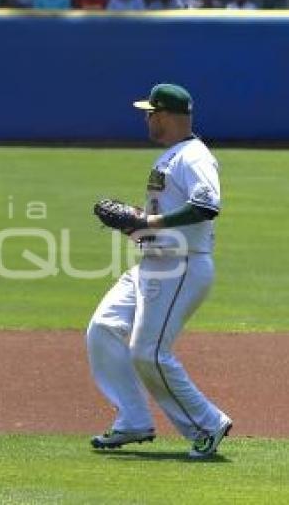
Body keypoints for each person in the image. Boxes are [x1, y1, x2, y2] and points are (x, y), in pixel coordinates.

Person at [86, 83, 232, 459]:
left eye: (150, 112)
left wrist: (151, 220)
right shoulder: (173, 155)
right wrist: (136, 222)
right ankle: (133, 420)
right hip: (152, 263)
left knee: (148, 352)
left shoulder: (194, 156)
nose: (146, 118)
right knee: (103, 327)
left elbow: (207, 205)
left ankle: (207, 424)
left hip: (180, 266)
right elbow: (162, 218)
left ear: (165, 114)